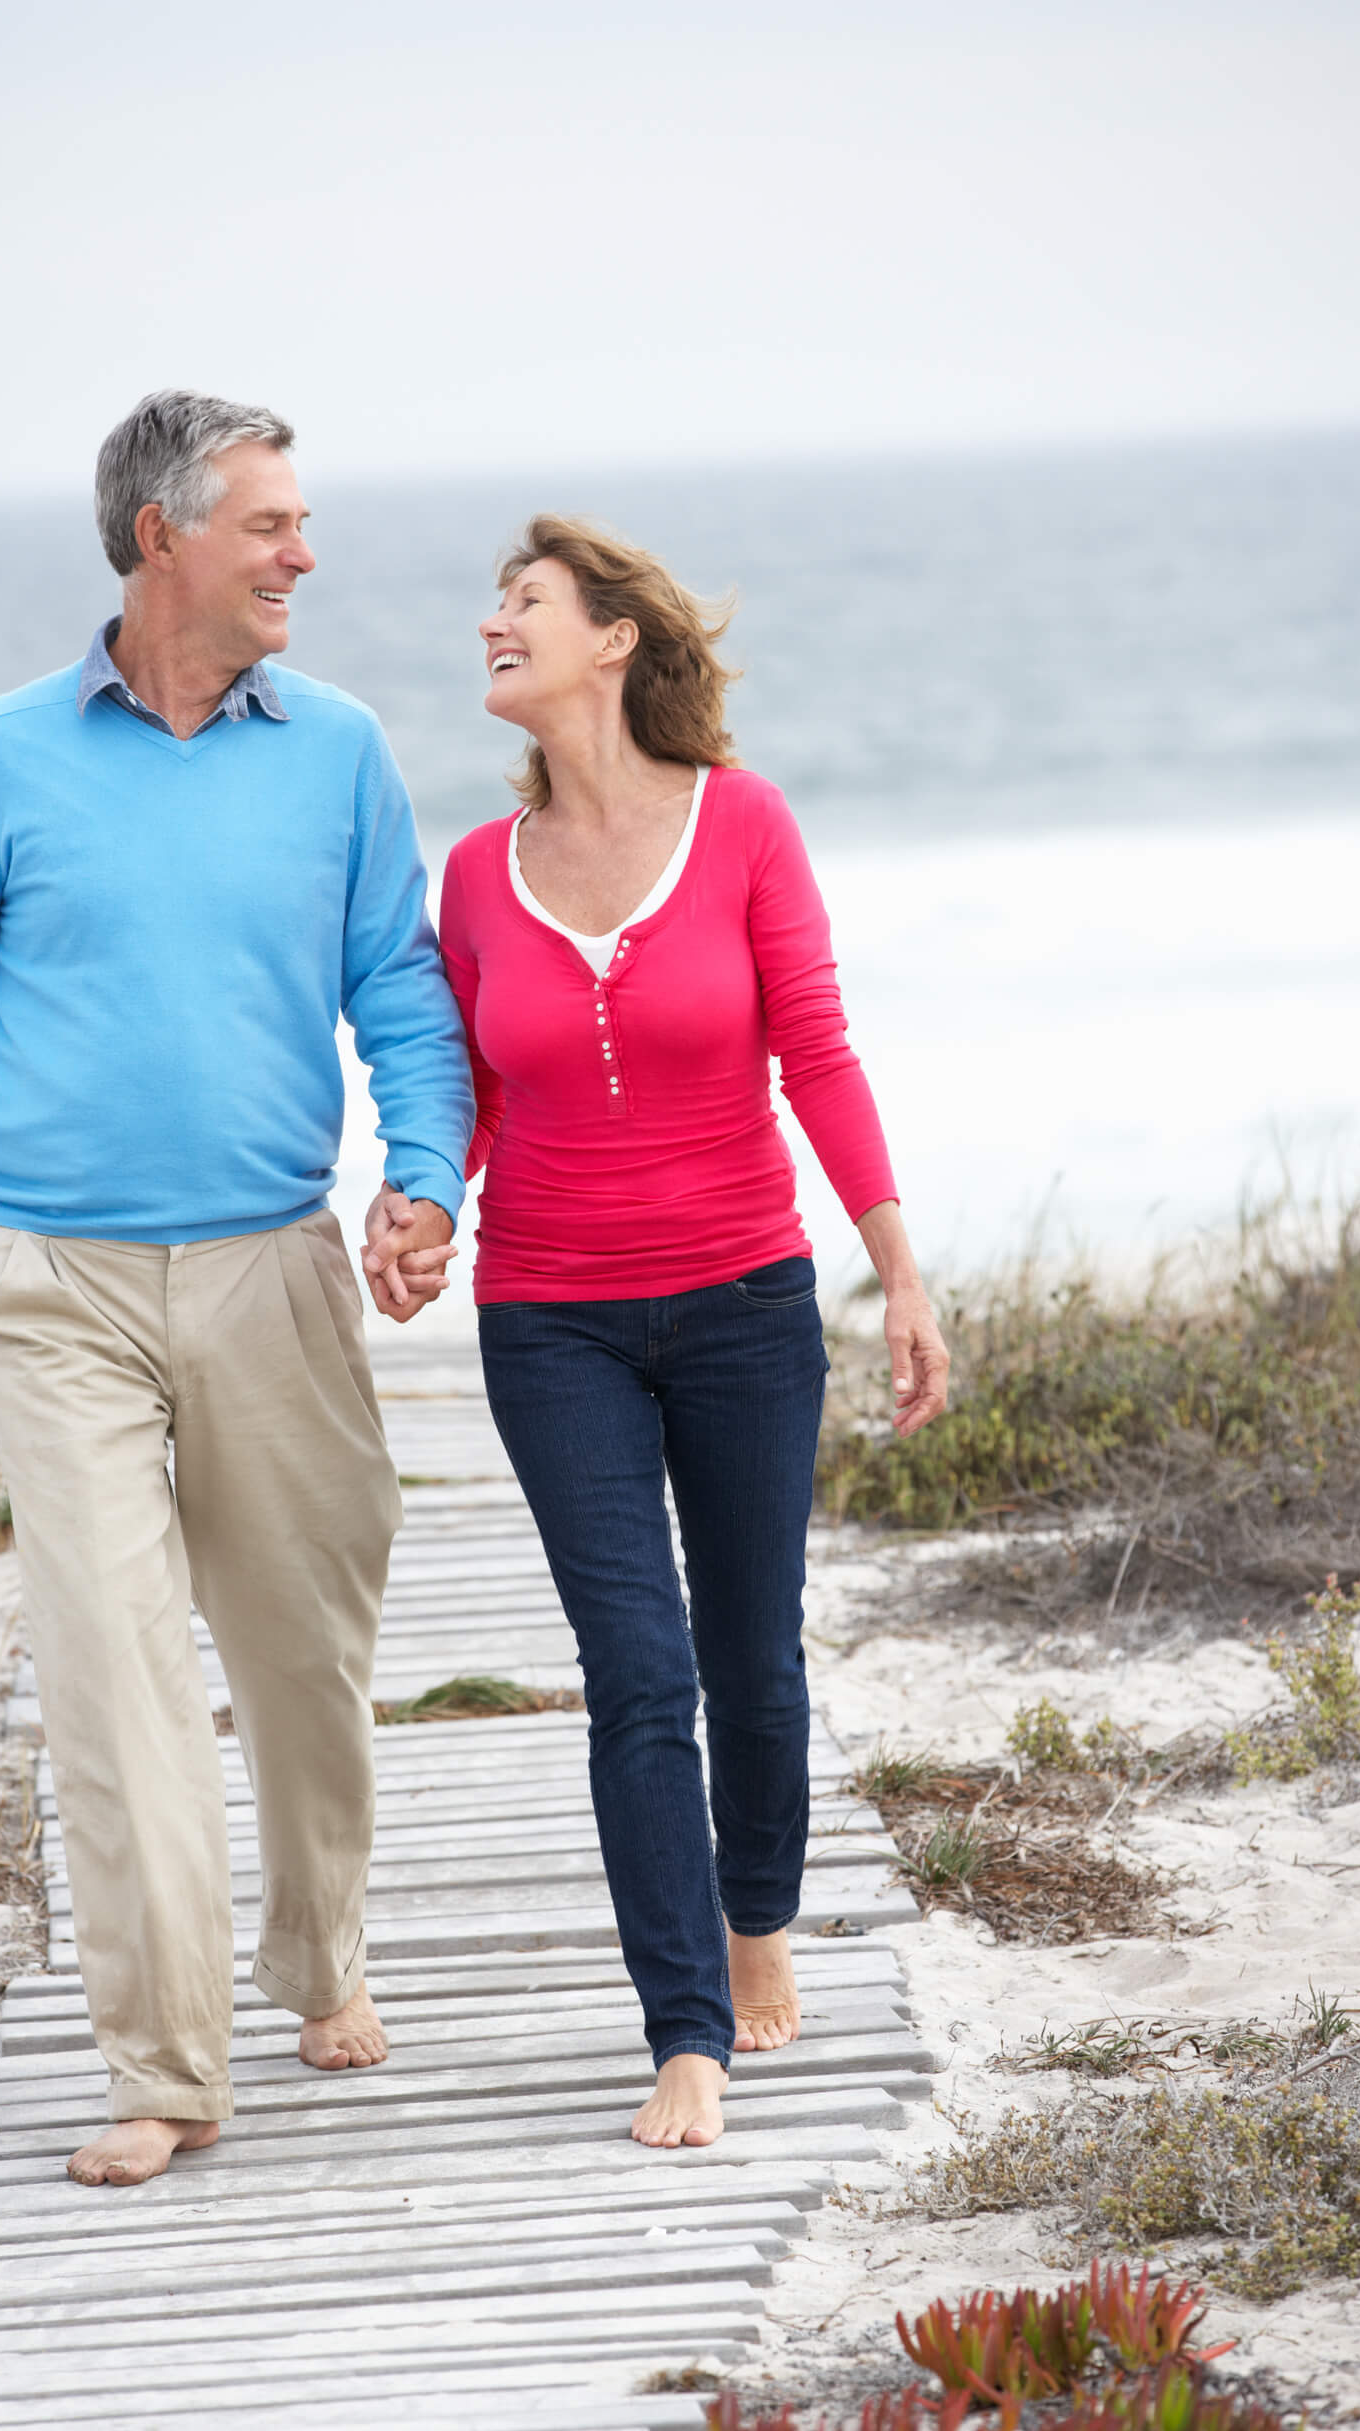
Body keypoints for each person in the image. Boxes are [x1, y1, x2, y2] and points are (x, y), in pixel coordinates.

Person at [0, 390, 473, 2187]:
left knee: (303, 1658)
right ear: (163, 536)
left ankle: (321, 1953)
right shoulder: (2, 759)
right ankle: (166, 2063)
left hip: (273, 1267)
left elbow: (400, 992)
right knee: (117, 1682)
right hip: (50, 1281)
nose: (302, 556)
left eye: (301, 524)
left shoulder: (334, 749)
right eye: (270, 526)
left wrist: (423, 1171)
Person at [424, 515, 949, 2149]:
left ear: (612, 643)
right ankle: (687, 2033)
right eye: (494, 604)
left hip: (743, 1306)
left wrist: (899, 1267)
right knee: (637, 1672)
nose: (493, 624)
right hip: (552, 1318)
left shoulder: (745, 826)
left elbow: (821, 1051)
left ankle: (761, 1916)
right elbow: (475, 1086)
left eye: (525, 604)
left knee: (751, 1657)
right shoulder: (473, 874)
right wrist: (422, 1195)